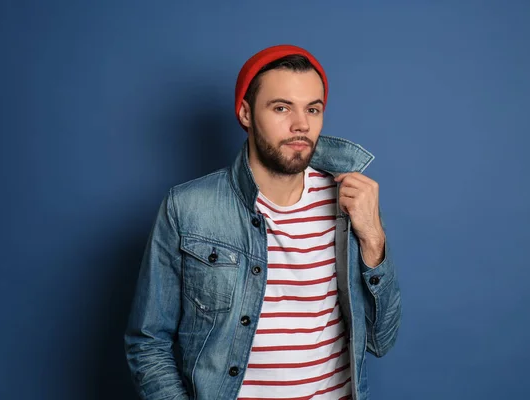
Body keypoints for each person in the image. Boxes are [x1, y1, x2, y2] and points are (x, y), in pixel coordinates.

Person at [124, 44, 402, 400]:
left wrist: (373, 239)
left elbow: (381, 339)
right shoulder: (187, 208)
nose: (301, 124)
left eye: (312, 109)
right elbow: (148, 343)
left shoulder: (351, 204)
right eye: (281, 107)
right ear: (245, 113)